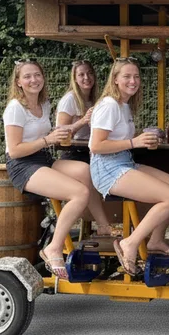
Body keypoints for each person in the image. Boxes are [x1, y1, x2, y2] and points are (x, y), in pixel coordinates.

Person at [88, 58, 169, 275]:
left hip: (123, 161)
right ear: (115, 79)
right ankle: (129, 243)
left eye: (136, 76)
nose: (133, 81)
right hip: (107, 169)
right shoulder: (109, 105)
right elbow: (96, 145)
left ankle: (156, 240)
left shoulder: (123, 105)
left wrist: (143, 138)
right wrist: (135, 142)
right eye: (127, 76)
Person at [3, 59, 90, 279]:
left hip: (43, 158)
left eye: (37, 75)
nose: (34, 80)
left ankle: (103, 227)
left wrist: (73, 127)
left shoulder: (45, 104)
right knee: (79, 193)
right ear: (18, 82)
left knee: (86, 171)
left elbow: (52, 134)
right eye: (27, 76)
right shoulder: (15, 108)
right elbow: (14, 151)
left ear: (43, 78)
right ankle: (53, 247)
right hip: (23, 165)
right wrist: (47, 140)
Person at [56, 60, 114, 236]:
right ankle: (104, 225)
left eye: (89, 73)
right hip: (74, 153)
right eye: (81, 74)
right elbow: (60, 134)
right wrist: (83, 120)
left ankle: (117, 221)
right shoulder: (70, 99)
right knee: (91, 174)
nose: (86, 78)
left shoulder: (96, 99)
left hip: (92, 151)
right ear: (74, 78)